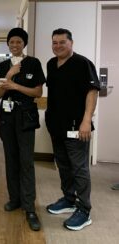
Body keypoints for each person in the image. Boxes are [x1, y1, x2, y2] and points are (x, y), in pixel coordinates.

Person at [45, 28, 100, 231]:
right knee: (64, 166)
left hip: (78, 127)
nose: (57, 46)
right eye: (54, 42)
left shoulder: (82, 63)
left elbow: (92, 92)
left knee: (79, 168)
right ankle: (68, 199)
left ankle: (84, 210)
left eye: (62, 42)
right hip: (56, 127)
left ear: (71, 43)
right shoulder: (51, 64)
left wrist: (86, 121)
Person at [0, 28, 45, 231]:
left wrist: (15, 87)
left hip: (25, 117)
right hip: (7, 117)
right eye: (11, 42)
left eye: (18, 42)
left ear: (24, 44)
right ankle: (14, 198)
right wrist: (9, 75)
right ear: (8, 44)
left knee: (26, 162)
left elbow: (38, 92)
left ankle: (29, 207)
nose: (14, 45)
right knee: (10, 159)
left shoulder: (33, 63)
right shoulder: (3, 66)